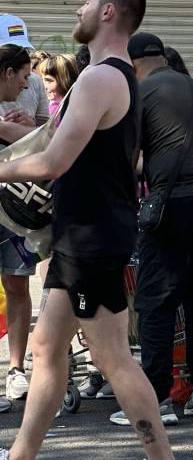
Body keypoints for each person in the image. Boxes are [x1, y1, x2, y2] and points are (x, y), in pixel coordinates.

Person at [0, 0, 175, 460]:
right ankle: (21, 454)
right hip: (82, 235)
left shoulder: (102, 79)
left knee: (112, 357)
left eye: (86, 1)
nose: (78, 8)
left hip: (91, 238)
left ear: (108, 13)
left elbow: (53, 162)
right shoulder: (107, 76)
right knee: (45, 347)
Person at [111, 33, 193, 426]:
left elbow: (128, 159)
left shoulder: (141, 92)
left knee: (155, 301)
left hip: (177, 204)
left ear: (133, 63)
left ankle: (157, 398)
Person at [0, 45, 37, 411]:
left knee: (18, 283)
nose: (28, 85)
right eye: (24, 76)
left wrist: (27, 129)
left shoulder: (26, 101)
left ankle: (15, 368)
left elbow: (42, 143)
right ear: (8, 73)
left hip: (15, 212)